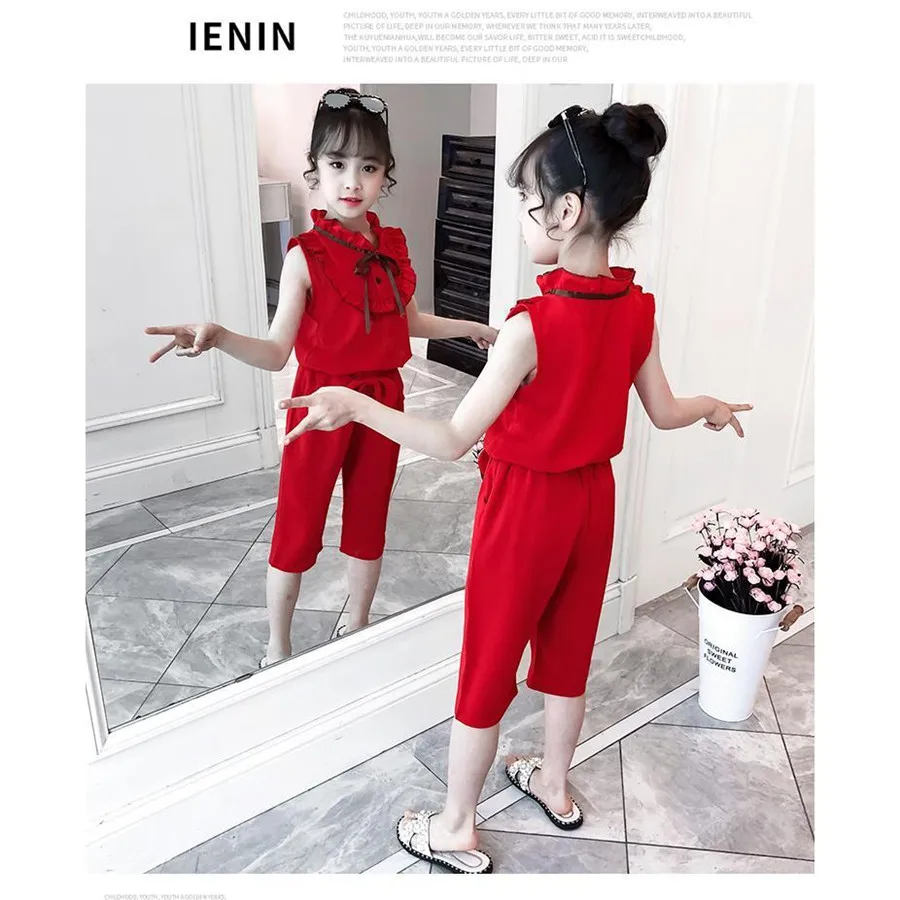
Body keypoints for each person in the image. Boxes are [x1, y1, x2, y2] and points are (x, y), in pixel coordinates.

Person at [279, 102, 753, 874]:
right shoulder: (637, 309)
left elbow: (449, 438)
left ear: (565, 212)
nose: (525, 217)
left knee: (489, 662)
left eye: (529, 201)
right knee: (569, 646)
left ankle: (455, 825)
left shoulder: (532, 325)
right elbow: (666, 411)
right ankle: (555, 784)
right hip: (592, 503)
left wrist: (355, 403)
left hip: (526, 509)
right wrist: (713, 407)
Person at [145, 88, 498, 668]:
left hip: (382, 400)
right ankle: (278, 644)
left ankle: (357, 624)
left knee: (369, 517)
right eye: (337, 164)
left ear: (386, 174)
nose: (352, 181)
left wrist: (471, 327)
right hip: (317, 400)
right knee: (298, 521)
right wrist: (220, 336)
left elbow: (408, 321)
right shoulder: (304, 256)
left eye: (368, 167)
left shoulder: (393, 247)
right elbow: (276, 353)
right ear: (315, 169)